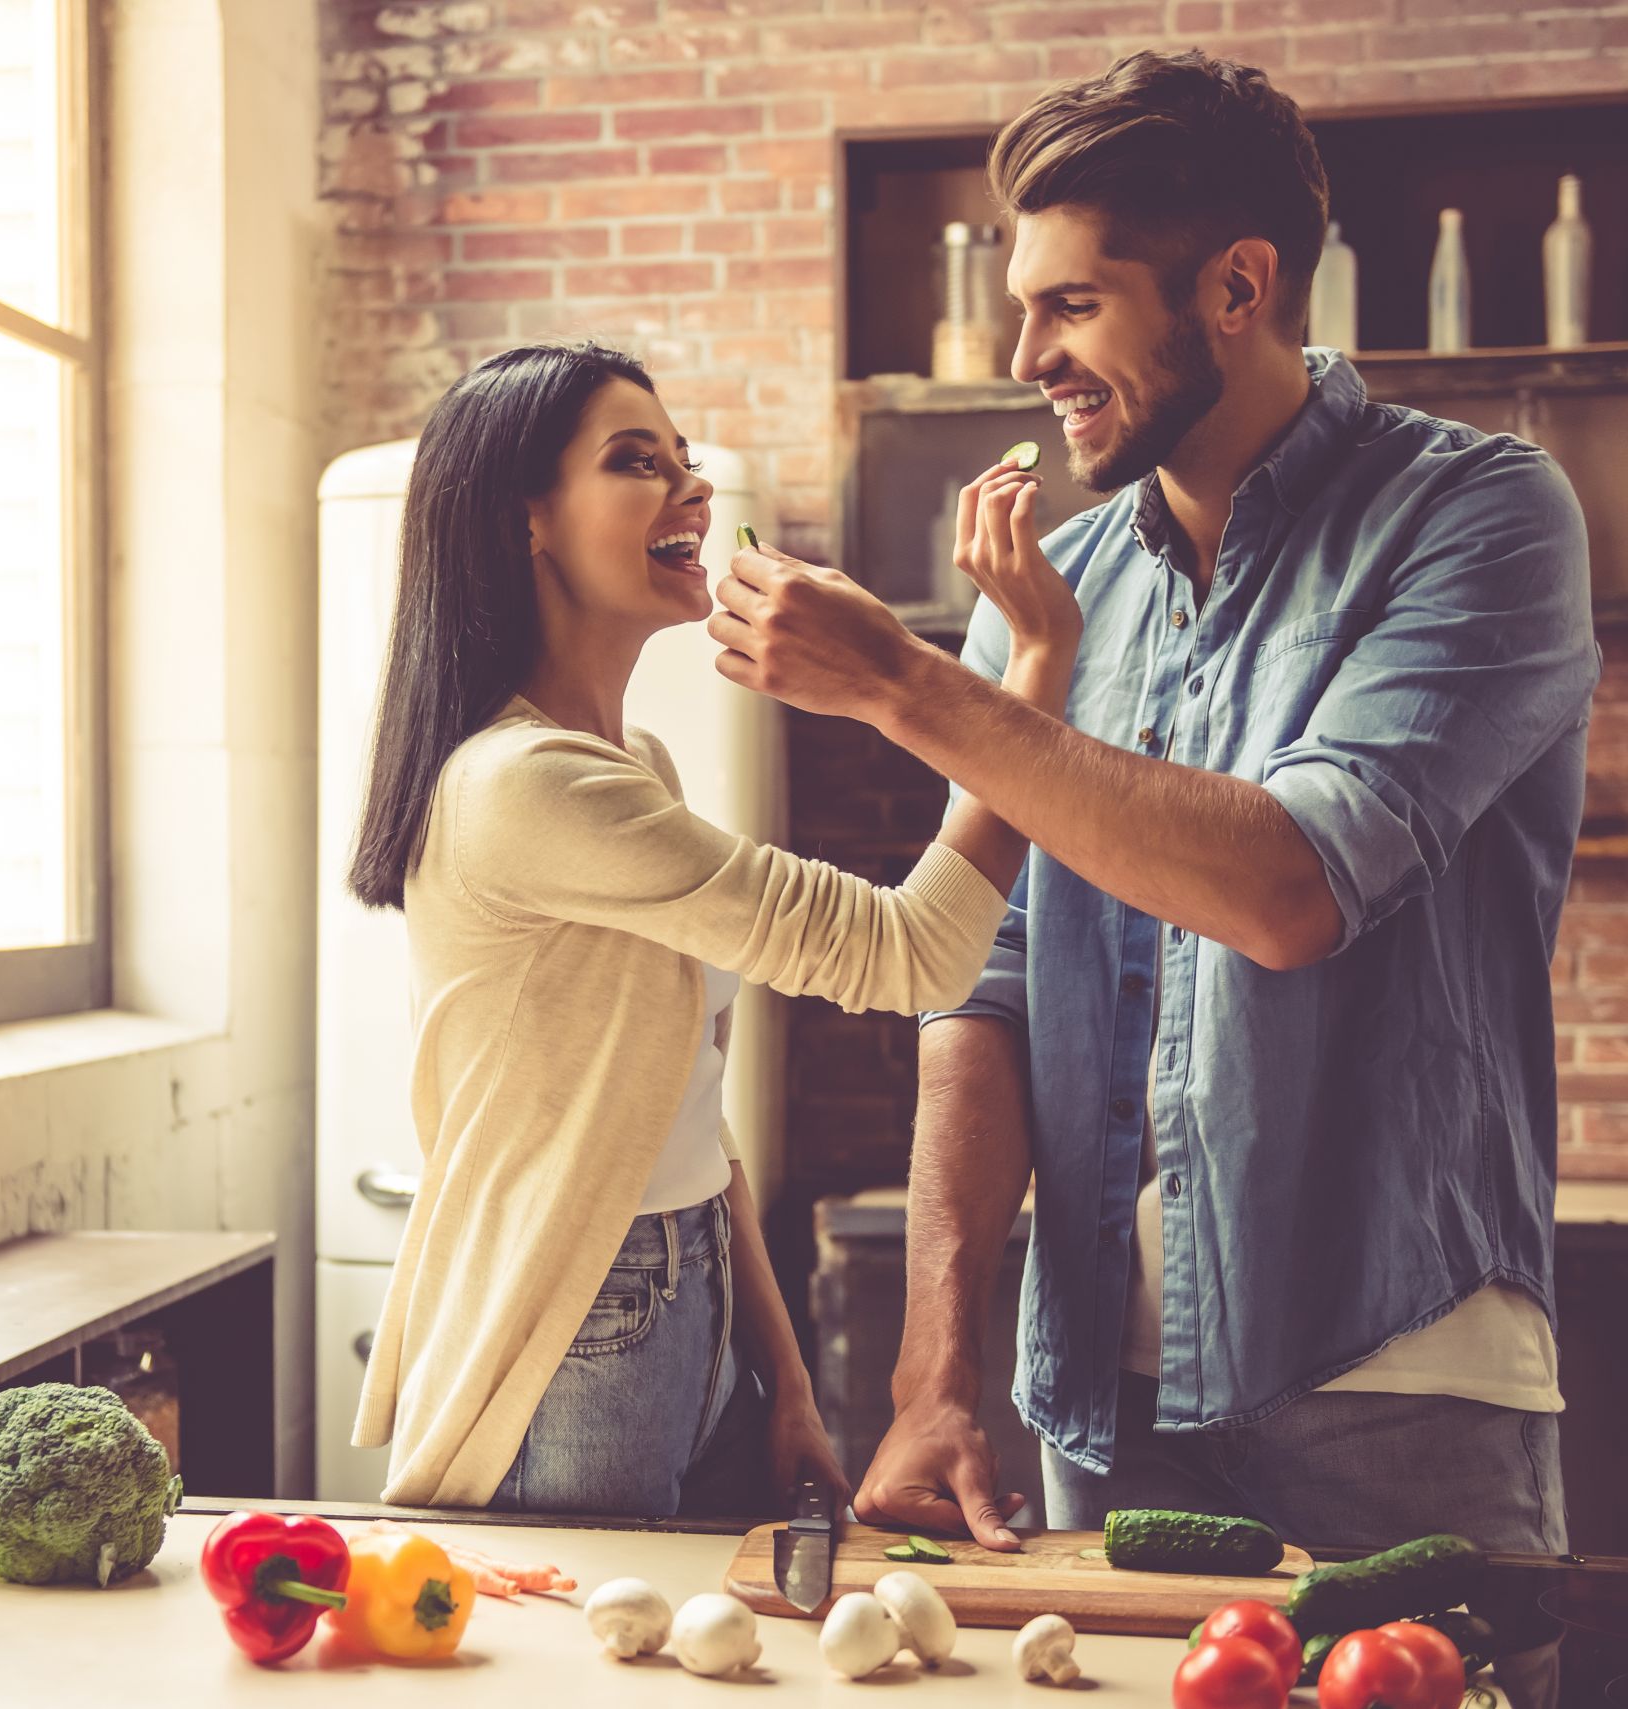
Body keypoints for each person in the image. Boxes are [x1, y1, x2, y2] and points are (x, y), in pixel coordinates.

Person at [709, 52, 1597, 1558]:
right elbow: (980, 994)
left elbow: (1288, 887)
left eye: (1072, 305)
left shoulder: (1481, 516)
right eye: (1023, 306)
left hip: (1397, 1368)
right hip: (1103, 1398)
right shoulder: (1045, 605)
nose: (1028, 354)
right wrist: (938, 1368)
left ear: (1237, 287)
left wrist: (907, 686)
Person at [346, 341, 1081, 1515]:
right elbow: (915, 952)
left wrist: (778, 1375)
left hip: (679, 1288)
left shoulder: (630, 766)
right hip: (577, 1313)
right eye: (637, 462)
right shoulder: (528, 785)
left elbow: (683, 1104)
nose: (690, 487)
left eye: (684, 459)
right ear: (522, 518)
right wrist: (1031, 667)